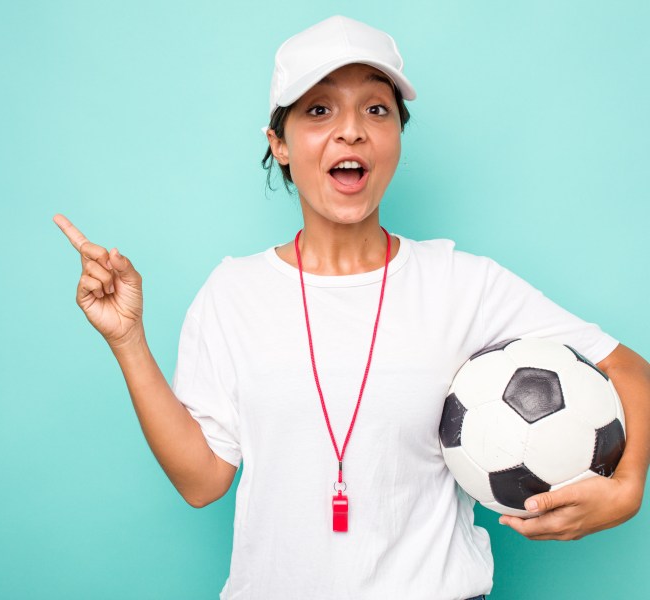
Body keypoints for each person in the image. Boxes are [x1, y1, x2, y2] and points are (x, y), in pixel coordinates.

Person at [53, 15, 649, 599]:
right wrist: (127, 340)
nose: (351, 131)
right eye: (318, 110)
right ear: (279, 144)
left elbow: (631, 370)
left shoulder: (463, 284)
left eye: (376, 109)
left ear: (395, 138)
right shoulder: (233, 294)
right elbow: (203, 481)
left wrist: (626, 490)